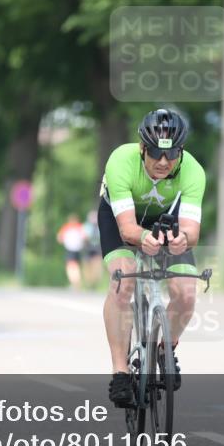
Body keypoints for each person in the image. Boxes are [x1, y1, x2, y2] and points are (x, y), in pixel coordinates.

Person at [100, 109, 205, 407]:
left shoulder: (194, 171)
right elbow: (128, 228)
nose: (163, 162)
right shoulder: (121, 161)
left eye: (171, 154)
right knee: (123, 282)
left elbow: (192, 231)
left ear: (180, 151)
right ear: (142, 149)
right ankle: (120, 372)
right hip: (122, 218)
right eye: (156, 154)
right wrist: (143, 238)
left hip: (167, 219)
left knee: (185, 292)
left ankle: (165, 349)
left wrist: (181, 239)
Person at [57, 214, 87, 290]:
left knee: (70, 267)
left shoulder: (67, 227)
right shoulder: (80, 227)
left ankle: (75, 282)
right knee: (75, 266)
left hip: (70, 249)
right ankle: (77, 282)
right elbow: (85, 237)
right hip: (78, 249)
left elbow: (59, 238)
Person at [81, 209, 102, 287]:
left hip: (96, 248)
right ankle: (89, 282)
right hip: (88, 248)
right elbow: (83, 237)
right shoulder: (86, 226)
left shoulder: (100, 226)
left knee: (97, 265)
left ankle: (95, 282)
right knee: (87, 266)